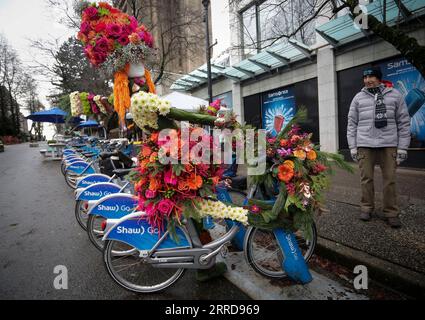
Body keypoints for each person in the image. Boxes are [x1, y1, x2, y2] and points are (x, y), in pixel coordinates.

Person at [347, 67, 411, 228]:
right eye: (365, 77)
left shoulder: (395, 95)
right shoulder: (358, 98)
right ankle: (366, 207)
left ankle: (391, 212)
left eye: (371, 76)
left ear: (379, 78)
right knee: (366, 179)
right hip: (365, 144)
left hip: (388, 144)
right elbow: (352, 124)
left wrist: (403, 148)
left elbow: (403, 122)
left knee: (390, 180)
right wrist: (353, 147)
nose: (368, 80)